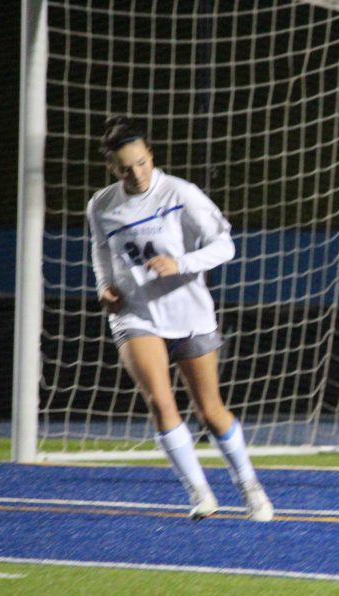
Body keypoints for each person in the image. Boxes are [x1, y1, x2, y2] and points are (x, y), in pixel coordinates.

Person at [87, 115, 274, 522]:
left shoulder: (181, 193)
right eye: (125, 168)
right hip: (136, 316)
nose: (136, 173)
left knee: (210, 411)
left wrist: (182, 263)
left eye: (141, 162)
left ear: (151, 155)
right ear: (112, 169)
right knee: (160, 402)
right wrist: (104, 287)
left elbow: (225, 246)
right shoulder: (101, 205)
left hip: (189, 312)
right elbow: (101, 252)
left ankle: (249, 485)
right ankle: (200, 492)